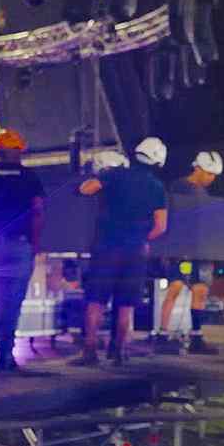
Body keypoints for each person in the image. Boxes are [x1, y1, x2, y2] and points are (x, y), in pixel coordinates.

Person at [75, 138, 169, 365]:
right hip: (135, 251)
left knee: (96, 300)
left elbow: (86, 189)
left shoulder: (115, 175)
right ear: (157, 161)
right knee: (125, 304)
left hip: (106, 248)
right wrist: (141, 238)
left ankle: (89, 351)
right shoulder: (157, 187)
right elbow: (161, 226)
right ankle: (118, 351)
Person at [0, 128, 46, 372]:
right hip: (19, 244)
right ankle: (6, 356)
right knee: (12, 303)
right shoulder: (29, 176)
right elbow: (37, 211)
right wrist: (35, 245)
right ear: (18, 151)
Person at [154, 149, 224, 355]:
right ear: (198, 169)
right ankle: (162, 335)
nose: (212, 179)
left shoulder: (204, 195)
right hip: (181, 251)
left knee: (200, 291)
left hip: (201, 252)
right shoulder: (178, 188)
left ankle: (196, 337)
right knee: (175, 287)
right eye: (209, 174)